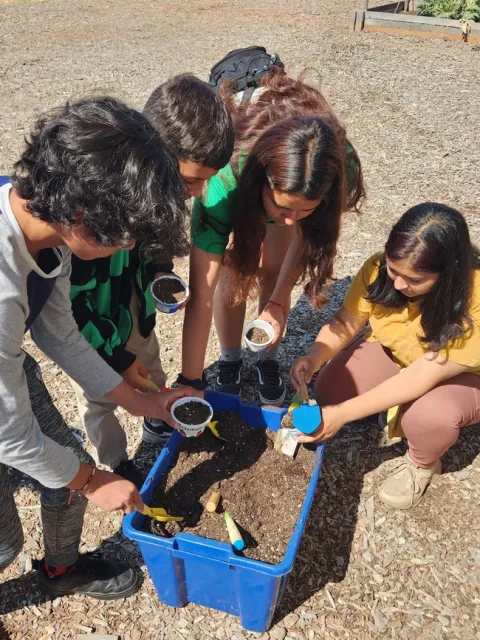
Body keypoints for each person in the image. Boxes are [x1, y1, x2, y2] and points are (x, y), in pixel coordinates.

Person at [0, 96, 188, 598]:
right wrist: (92, 482)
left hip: (6, 369)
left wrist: (143, 402)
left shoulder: (42, 225)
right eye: (125, 238)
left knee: (60, 467)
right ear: (82, 212)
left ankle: (62, 568)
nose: (127, 250)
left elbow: (59, 332)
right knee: (5, 543)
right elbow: (9, 435)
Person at [69, 75, 234, 486]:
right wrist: (117, 360)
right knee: (99, 396)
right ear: (152, 154)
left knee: (148, 363)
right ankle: (115, 459)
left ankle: (156, 417)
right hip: (90, 331)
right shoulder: (89, 219)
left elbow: (154, 244)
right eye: (191, 180)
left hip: (132, 309)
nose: (198, 193)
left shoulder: (157, 191)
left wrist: (158, 274)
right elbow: (72, 313)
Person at [179, 65, 365, 405]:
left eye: (305, 210)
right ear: (259, 186)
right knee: (236, 268)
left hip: (282, 185)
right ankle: (230, 358)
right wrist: (189, 380)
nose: (292, 222)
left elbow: (309, 238)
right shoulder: (224, 180)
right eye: (282, 209)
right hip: (245, 172)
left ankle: (267, 357)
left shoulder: (340, 168)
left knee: (275, 265)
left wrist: (279, 302)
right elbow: (201, 291)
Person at [291, 203, 480, 509]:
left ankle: (422, 463)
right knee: (329, 389)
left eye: (415, 280)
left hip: (461, 376)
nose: (399, 284)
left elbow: (423, 375)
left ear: (450, 270)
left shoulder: (474, 298)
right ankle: (391, 403)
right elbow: (344, 322)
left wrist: (341, 415)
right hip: (398, 353)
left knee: (430, 416)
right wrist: (315, 356)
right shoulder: (380, 269)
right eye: (394, 270)